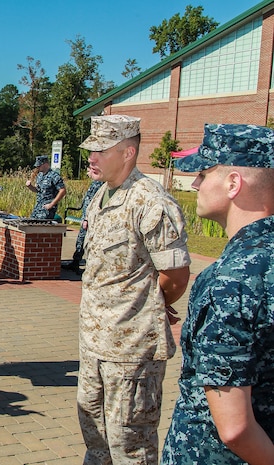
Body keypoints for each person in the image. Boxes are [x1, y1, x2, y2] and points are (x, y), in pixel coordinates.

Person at [76, 114, 191, 464]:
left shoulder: (150, 202)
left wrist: (151, 303)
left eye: (101, 150)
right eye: (90, 150)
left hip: (130, 351)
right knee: (95, 437)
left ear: (128, 152)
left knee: (130, 445)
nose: (91, 158)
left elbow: (176, 274)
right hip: (95, 343)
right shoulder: (102, 195)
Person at [162, 123, 274, 465]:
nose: (195, 183)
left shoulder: (232, 279)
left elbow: (235, 429)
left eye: (204, 172)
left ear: (233, 183)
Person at [62, 168, 102, 274]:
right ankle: (75, 262)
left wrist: (87, 219)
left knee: (87, 242)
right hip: (86, 217)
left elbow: (94, 203)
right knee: (80, 240)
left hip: (90, 220)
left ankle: (90, 267)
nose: (87, 172)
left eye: (89, 170)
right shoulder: (94, 183)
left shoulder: (99, 183)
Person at [25, 155, 66, 220]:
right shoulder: (39, 176)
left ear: (45, 164)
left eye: (39, 165)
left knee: (41, 226)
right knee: (31, 224)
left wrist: (51, 204)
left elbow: (63, 191)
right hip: (38, 207)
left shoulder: (54, 176)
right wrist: (30, 186)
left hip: (47, 208)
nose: (37, 167)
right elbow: (37, 190)